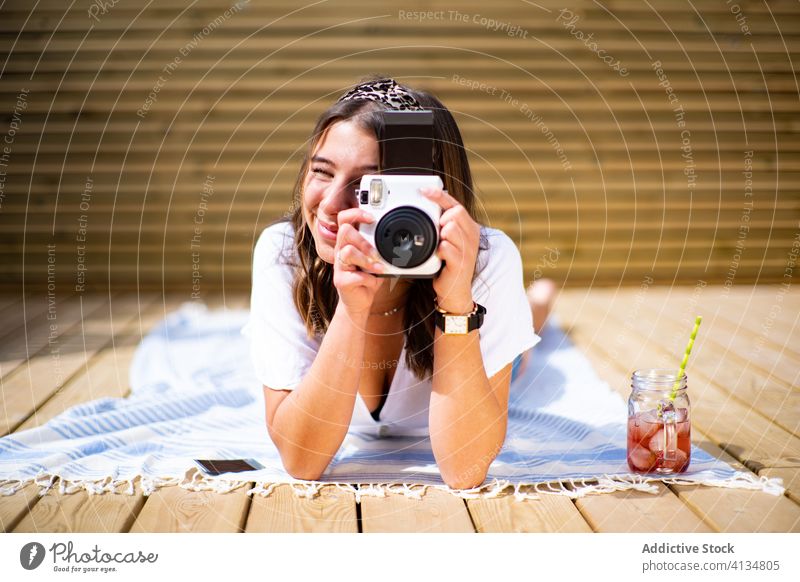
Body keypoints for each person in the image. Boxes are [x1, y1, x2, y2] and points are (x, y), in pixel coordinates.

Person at [243, 77, 555, 490]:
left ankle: (537, 303)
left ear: (425, 195)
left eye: (366, 187)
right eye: (321, 171)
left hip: (475, 341)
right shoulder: (284, 254)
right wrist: (353, 309)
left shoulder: (483, 259)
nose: (332, 205)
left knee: (521, 350)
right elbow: (302, 460)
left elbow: (465, 470)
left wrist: (457, 304)